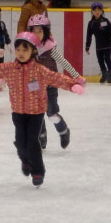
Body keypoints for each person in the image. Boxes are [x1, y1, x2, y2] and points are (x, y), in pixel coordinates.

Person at [0, 32, 84, 187]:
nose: (21, 53)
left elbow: (56, 78)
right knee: (20, 142)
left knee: (32, 142)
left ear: (33, 51)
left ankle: (38, 171)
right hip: (18, 112)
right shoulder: (10, 69)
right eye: (18, 50)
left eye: (25, 50)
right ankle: (26, 160)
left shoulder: (39, 70)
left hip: (36, 113)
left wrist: (72, 85)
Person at [28, 14, 83, 150]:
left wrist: (77, 77)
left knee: (51, 113)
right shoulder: (28, 48)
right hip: (34, 85)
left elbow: (63, 62)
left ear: (46, 31)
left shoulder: (50, 48)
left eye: (40, 31)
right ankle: (41, 136)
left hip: (50, 84)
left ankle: (63, 131)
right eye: (34, 31)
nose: (37, 34)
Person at [86, 2, 111, 84]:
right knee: (100, 60)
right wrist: (87, 47)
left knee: (107, 59)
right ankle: (104, 74)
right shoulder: (91, 24)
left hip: (107, 45)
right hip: (99, 45)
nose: (97, 12)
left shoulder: (105, 21)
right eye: (95, 10)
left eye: (99, 10)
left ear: (102, 11)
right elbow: (89, 36)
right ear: (92, 11)